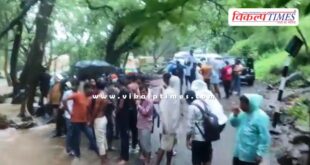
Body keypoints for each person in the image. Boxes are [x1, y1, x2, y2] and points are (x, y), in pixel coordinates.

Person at [230, 94, 271, 165]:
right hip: (238, 152)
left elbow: (264, 137)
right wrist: (235, 115)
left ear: (251, 104)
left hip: (250, 155)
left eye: (243, 103)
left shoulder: (261, 117)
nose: (241, 106)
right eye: (240, 103)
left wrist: (260, 153)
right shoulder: (242, 113)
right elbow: (234, 124)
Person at [63, 83, 98, 158]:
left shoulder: (90, 98)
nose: (92, 90)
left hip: (85, 121)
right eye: (90, 89)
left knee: (91, 136)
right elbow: (64, 100)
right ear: (85, 89)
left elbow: (89, 110)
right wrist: (68, 111)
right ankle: (77, 154)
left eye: (92, 89)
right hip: (76, 121)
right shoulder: (78, 95)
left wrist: (90, 119)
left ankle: (99, 153)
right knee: (76, 138)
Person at [156, 75, 181, 165]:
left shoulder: (172, 92)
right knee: (164, 147)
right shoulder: (171, 93)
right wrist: (166, 125)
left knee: (169, 147)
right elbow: (163, 109)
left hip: (171, 125)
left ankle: (168, 163)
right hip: (169, 125)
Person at [184, 90, 212, 165]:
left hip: (197, 139)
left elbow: (190, 127)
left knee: (196, 160)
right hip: (207, 136)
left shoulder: (192, 107)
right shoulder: (204, 103)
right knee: (206, 160)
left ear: (187, 99)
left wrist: (187, 140)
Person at [93, 82, 109, 165]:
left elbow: (95, 110)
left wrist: (91, 120)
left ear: (97, 87)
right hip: (104, 118)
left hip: (99, 119)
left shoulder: (99, 97)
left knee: (100, 141)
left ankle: (103, 162)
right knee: (103, 139)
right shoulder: (105, 94)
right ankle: (106, 158)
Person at [137, 85, 153, 165]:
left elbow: (145, 112)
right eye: (141, 92)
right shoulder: (140, 100)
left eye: (144, 91)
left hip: (146, 125)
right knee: (142, 143)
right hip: (140, 125)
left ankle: (148, 160)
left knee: (146, 144)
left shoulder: (149, 101)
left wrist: (138, 106)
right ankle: (144, 157)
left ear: (147, 92)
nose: (142, 93)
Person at [117, 79, 132, 165]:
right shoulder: (127, 91)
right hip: (126, 116)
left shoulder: (123, 92)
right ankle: (122, 155)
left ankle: (125, 158)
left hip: (123, 117)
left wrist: (116, 111)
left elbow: (121, 105)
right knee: (124, 137)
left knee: (124, 138)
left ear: (120, 83)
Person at [60, 80, 75, 154]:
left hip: (75, 116)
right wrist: (69, 111)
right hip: (69, 116)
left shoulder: (78, 93)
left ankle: (72, 147)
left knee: (74, 133)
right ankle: (69, 148)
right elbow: (63, 103)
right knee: (70, 132)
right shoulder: (67, 93)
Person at [127, 75, 140, 153]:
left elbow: (130, 97)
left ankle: (131, 144)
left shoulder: (129, 86)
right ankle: (135, 144)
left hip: (130, 108)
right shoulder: (137, 86)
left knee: (129, 128)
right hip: (135, 108)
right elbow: (138, 97)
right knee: (135, 128)